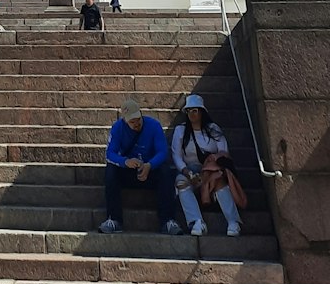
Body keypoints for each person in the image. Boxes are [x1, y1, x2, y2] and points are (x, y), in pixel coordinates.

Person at [100, 99, 180, 235]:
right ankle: (114, 219)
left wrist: (150, 165)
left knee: (165, 171)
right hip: (128, 171)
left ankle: (167, 221)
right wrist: (125, 162)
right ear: (124, 120)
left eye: (138, 119)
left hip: (150, 170)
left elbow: (163, 152)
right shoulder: (118, 128)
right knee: (111, 170)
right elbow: (110, 154)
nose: (136, 124)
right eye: (132, 121)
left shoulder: (154, 126)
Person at [172, 95, 244, 237]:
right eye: (189, 111)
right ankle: (197, 221)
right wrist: (187, 172)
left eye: (195, 110)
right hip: (190, 169)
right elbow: (176, 155)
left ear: (202, 112)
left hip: (212, 169)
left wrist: (210, 167)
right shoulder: (181, 130)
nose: (192, 114)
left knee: (219, 181)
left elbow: (224, 152)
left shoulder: (213, 129)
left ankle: (233, 221)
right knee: (180, 181)